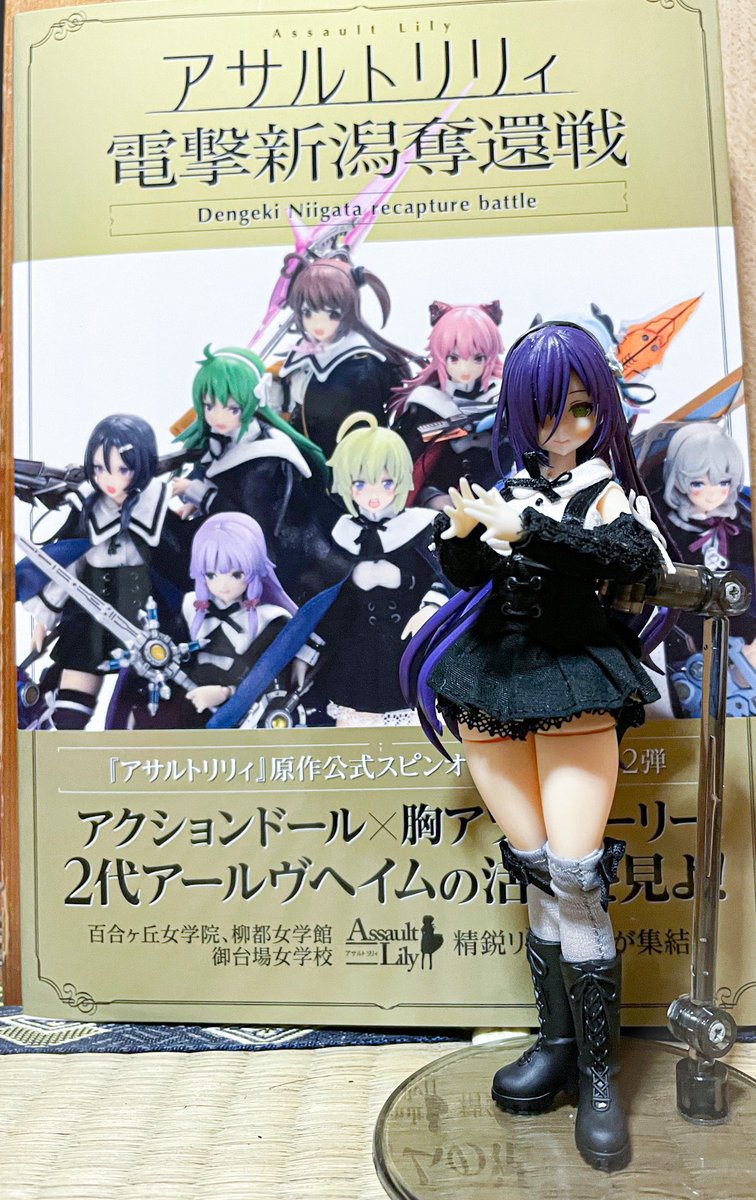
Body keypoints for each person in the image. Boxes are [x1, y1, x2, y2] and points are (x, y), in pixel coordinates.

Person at [402, 322, 670, 1173]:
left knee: (577, 874)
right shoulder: (509, 487)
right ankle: (556, 1043)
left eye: (581, 409)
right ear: (520, 414)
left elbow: (631, 558)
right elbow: (469, 577)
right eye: (548, 412)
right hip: (492, 687)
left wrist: (531, 530)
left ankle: (598, 1073)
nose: (565, 427)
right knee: (534, 867)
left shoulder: (601, 493)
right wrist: (462, 535)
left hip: (575, 683)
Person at [20, 414, 172, 729]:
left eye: (122, 469)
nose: (109, 479)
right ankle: (59, 730)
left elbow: (176, 560)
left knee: (146, 696)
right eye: (100, 468)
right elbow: (66, 570)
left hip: (143, 612)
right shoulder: (88, 510)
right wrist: (44, 620)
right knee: (73, 699)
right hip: (90, 609)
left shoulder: (154, 508)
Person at [314, 412, 449, 726]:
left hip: (411, 649)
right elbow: (325, 601)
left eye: (386, 482)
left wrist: (422, 597)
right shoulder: (342, 532)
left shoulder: (421, 526)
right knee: (352, 730)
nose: (373, 494)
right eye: (360, 483)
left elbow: (446, 575)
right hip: (356, 654)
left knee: (416, 732)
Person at [256, 255, 417, 458]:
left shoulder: (361, 367)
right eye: (307, 313)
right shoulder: (299, 356)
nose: (318, 323)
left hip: (349, 461)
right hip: (306, 456)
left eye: (332, 314)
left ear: (348, 310)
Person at [391, 301, 508, 507]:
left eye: (477, 358)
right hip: (438, 499)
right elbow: (406, 462)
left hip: (495, 496)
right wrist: (431, 498)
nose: (465, 369)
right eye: (454, 358)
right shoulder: (426, 401)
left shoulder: (502, 397)